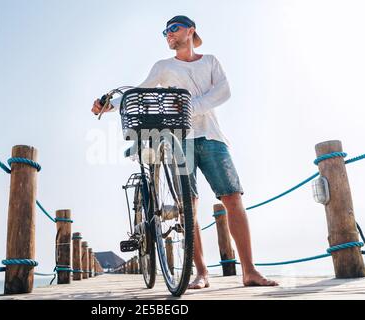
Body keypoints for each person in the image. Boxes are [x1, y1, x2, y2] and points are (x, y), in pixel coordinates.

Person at [91, 15, 278, 289]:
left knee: (233, 198)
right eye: (165, 31)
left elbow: (224, 91)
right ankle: (201, 272)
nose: (168, 34)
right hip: (181, 140)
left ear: (190, 30)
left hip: (213, 137)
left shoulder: (210, 61)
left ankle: (249, 270)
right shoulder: (163, 66)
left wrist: (192, 106)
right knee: (187, 207)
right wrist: (109, 105)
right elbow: (139, 93)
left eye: (173, 28)